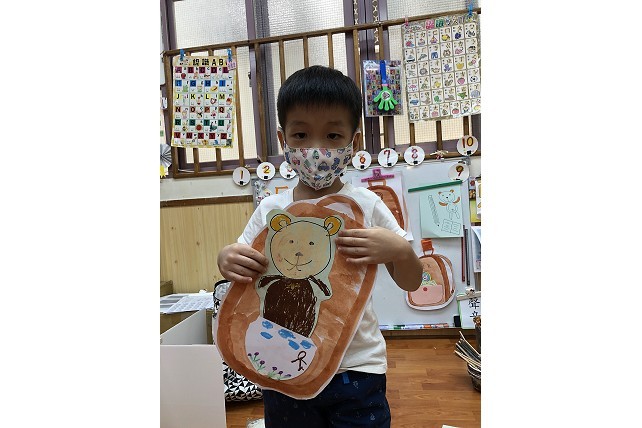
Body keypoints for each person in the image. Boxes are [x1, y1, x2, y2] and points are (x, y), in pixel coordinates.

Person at [217, 65, 422, 427]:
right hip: (282, 362)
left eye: (332, 135)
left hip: (357, 367)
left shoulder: (366, 206)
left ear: (353, 143)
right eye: (300, 135)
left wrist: (399, 250)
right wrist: (226, 258)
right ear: (283, 140)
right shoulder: (272, 209)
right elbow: (241, 266)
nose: (316, 149)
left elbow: (412, 281)